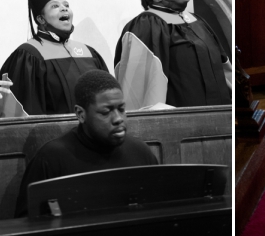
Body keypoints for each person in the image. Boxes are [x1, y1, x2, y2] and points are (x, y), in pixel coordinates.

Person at [14, 70, 158, 216]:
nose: (118, 119)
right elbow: (27, 224)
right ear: (81, 114)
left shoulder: (140, 152)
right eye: (106, 112)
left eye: (121, 109)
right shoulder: (51, 159)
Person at [114, 0, 232, 110]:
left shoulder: (197, 21)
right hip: (186, 125)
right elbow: (142, 93)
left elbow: (223, 69)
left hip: (222, 118)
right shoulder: (147, 25)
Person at [0, 0, 109, 117]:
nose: (64, 9)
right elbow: (22, 117)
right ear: (40, 19)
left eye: (66, 5)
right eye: (55, 6)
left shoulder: (89, 53)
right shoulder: (28, 56)